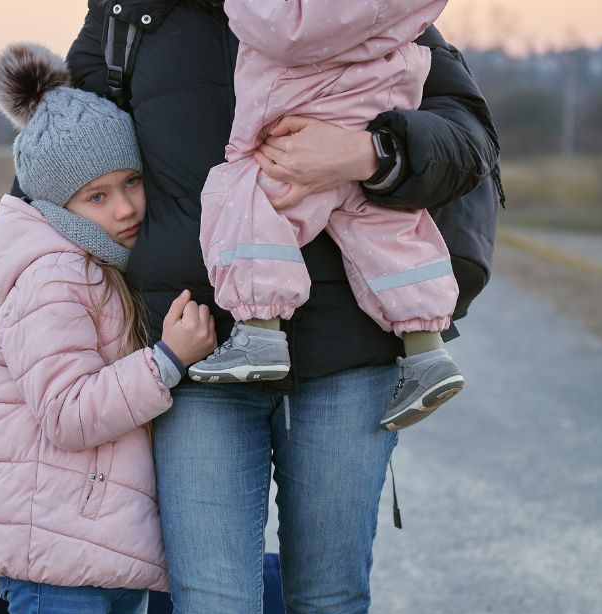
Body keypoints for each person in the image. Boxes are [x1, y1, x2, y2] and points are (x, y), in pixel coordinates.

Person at [0, 1, 501, 614]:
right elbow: (57, 149)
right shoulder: (133, 16)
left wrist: (366, 151)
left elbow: (468, 142)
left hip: (348, 357)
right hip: (199, 357)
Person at [0, 42, 216, 614]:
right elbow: (68, 413)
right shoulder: (53, 278)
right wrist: (167, 361)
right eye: (96, 197)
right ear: (56, 207)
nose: (126, 207)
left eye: (131, 182)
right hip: (54, 556)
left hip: (104, 545)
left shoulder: (102, 263)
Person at [189, 0, 465, 433]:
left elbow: (283, 28)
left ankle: (259, 330)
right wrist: (369, 152)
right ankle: (426, 351)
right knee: (387, 228)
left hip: (300, 121)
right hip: (373, 116)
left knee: (244, 197)